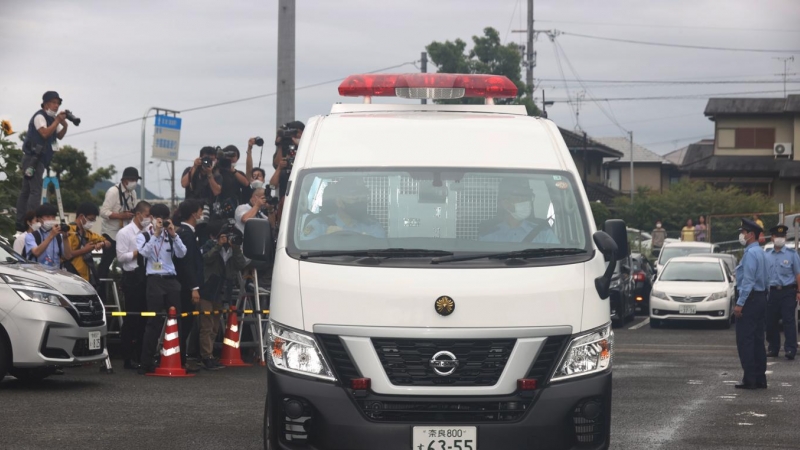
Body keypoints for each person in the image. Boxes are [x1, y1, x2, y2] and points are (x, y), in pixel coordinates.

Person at [137, 203, 188, 375]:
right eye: (159, 219)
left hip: (171, 280)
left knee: (177, 320)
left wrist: (173, 234)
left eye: (165, 219)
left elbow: (182, 253)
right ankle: (146, 362)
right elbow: (143, 253)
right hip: (154, 280)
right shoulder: (144, 235)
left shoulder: (170, 234)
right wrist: (156, 235)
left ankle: (180, 360)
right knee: (154, 322)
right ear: (152, 218)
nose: (162, 222)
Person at [15, 91, 69, 228]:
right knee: (35, 190)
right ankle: (31, 220)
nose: (57, 106)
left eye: (58, 103)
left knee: (27, 190)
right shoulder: (40, 116)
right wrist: (57, 120)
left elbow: (59, 136)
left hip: (39, 160)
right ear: (46, 104)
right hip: (33, 159)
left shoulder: (51, 120)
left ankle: (21, 220)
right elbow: (44, 133)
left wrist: (65, 125)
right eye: (54, 102)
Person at [199, 221, 248, 370]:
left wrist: (236, 248)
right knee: (206, 325)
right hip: (207, 289)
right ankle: (205, 357)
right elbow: (206, 259)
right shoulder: (209, 244)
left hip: (221, 290)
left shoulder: (233, 249)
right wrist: (218, 245)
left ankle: (211, 355)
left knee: (215, 326)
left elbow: (241, 265)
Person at [115, 201, 152, 370]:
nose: (148, 219)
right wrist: (139, 252)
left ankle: (141, 354)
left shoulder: (149, 231)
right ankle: (127, 357)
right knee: (132, 317)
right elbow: (121, 257)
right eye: (147, 215)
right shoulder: (125, 233)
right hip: (132, 276)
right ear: (138, 214)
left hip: (147, 276)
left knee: (146, 317)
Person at [733, 219, 769, 389]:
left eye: (744, 232)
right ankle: (760, 378)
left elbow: (748, 281)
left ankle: (750, 379)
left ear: (751, 235)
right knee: (757, 340)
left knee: (745, 340)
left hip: (750, 299)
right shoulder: (761, 253)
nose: (742, 235)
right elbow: (767, 278)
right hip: (760, 298)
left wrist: (740, 303)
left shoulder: (750, 254)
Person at [301, 178, 386, 240]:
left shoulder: (372, 226)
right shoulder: (318, 225)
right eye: (354, 198)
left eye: (363, 198)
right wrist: (326, 240)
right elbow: (304, 254)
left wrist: (366, 240)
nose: (360, 202)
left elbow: (382, 254)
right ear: (339, 202)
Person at [479, 178, 558, 244]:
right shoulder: (489, 237)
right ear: (505, 203)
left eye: (528, 198)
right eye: (520, 198)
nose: (526, 201)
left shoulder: (543, 233)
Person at [174, 199, 205, 368]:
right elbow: (187, 263)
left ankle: (181, 359)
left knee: (187, 322)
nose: (201, 213)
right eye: (200, 210)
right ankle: (180, 360)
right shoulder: (186, 233)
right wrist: (194, 287)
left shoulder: (186, 232)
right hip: (185, 286)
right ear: (194, 213)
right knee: (184, 322)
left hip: (185, 284)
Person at [98, 167, 140, 285]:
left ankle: (126, 286)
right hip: (111, 233)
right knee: (105, 264)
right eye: (132, 179)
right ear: (124, 180)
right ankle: (100, 292)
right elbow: (103, 212)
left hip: (126, 233)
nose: (134, 182)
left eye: (136, 179)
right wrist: (120, 215)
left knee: (128, 263)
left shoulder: (133, 193)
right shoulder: (113, 191)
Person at [765, 225, 799, 360]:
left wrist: (799, 291)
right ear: (772, 238)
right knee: (771, 322)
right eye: (777, 236)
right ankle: (773, 348)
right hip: (772, 292)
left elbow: (798, 274)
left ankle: (790, 349)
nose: (780, 239)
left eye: (782, 236)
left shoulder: (792, 254)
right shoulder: (766, 255)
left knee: (788, 321)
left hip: (788, 292)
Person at [64, 202, 111, 286]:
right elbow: (67, 254)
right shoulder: (69, 231)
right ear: (81, 216)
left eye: (94, 220)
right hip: (70, 275)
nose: (92, 223)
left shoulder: (88, 234)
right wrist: (85, 250)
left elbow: (108, 243)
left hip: (84, 278)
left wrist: (102, 243)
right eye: (91, 219)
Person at [24, 204, 72, 269]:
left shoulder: (58, 237)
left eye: (53, 217)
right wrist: (51, 235)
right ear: (39, 219)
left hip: (55, 274)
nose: (51, 219)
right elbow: (36, 252)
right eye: (47, 216)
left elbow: (68, 256)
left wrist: (65, 238)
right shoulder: (31, 236)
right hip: (37, 274)